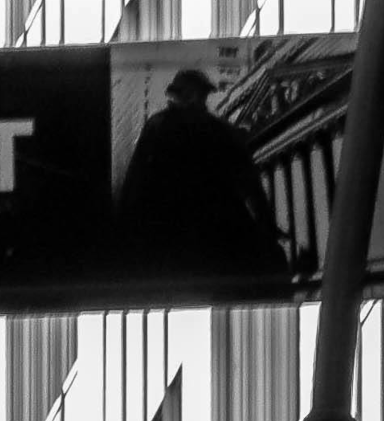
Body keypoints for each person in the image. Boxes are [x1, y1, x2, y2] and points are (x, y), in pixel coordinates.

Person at [114, 68, 289, 281]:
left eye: (201, 94)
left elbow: (135, 182)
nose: (199, 99)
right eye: (194, 93)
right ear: (182, 94)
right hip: (198, 231)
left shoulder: (163, 126)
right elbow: (248, 182)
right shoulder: (214, 130)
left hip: (188, 233)